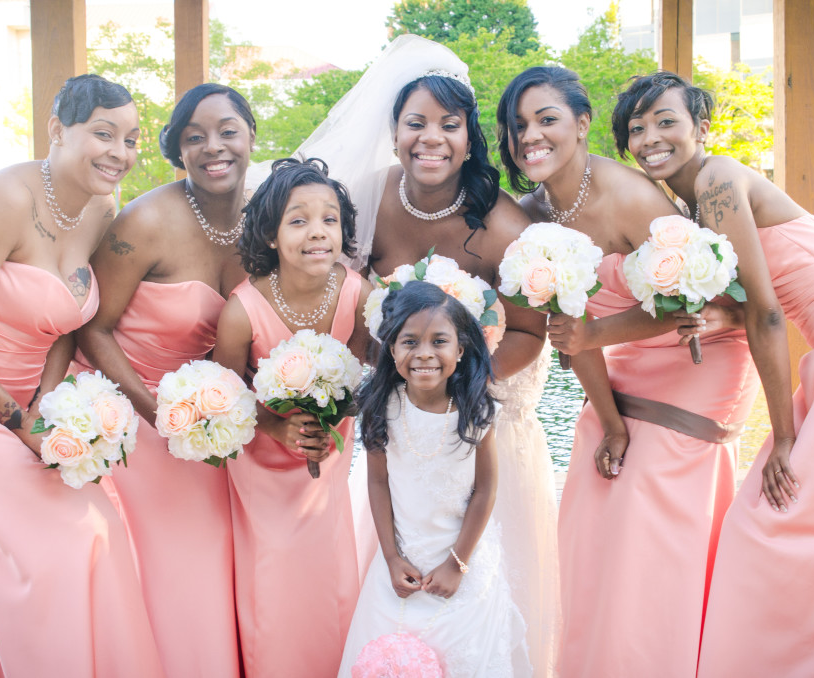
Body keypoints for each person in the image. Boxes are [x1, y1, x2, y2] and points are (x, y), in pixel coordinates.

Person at [613, 70, 814, 677]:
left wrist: (784, 436)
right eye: (636, 128)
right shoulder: (689, 207)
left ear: (701, 128)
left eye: (665, 121)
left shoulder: (717, 180)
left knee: (775, 511)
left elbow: (768, 313)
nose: (650, 137)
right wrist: (714, 316)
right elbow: (755, 298)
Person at [295, 35, 559, 675]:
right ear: (394, 134)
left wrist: (456, 382)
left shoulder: (503, 227)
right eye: (415, 123)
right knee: (401, 588)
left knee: (496, 597)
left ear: (471, 137)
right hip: (401, 431)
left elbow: (528, 332)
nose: (431, 137)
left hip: (484, 419)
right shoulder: (362, 205)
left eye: (449, 124)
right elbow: (346, 307)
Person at [497, 66, 759, 677]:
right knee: (592, 514)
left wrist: (596, 335)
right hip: (622, 365)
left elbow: (698, 300)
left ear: (582, 125)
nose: (529, 135)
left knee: (646, 519)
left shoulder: (627, 196)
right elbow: (571, 331)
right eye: (517, 126)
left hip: (699, 354)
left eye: (546, 119)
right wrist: (610, 421)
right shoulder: (532, 217)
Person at [0, 74, 165, 677]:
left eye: (130, 140)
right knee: (71, 536)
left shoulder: (103, 208)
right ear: (57, 129)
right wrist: (18, 422)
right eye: (104, 133)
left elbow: (67, 325)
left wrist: (49, 400)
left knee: (2, 558)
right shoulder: (6, 198)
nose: (120, 153)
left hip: (23, 407)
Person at [72, 83, 254, 677]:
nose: (213, 147)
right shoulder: (145, 221)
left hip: (208, 426)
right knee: (158, 564)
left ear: (251, 136)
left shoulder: (268, 221)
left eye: (227, 130)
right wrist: (154, 414)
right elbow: (91, 331)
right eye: (194, 138)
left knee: (216, 562)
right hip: (127, 413)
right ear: (178, 151)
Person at [213, 157, 373, 676]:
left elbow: (367, 370)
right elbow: (228, 391)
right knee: (273, 575)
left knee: (329, 572)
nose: (317, 232)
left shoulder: (357, 294)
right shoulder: (241, 311)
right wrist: (277, 425)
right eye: (298, 220)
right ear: (270, 234)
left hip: (326, 455)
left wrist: (336, 414)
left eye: (329, 219)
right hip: (261, 460)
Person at [339, 280, 530, 676]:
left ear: (460, 350)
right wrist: (391, 557)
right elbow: (378, 483)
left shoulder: (477, 412)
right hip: (400, 561)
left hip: (461, 559)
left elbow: (485, 489)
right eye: (410, 342)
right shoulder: (381, 408)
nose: (424, 354)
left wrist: (457, 564)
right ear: (391, 349)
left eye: (438, 341)